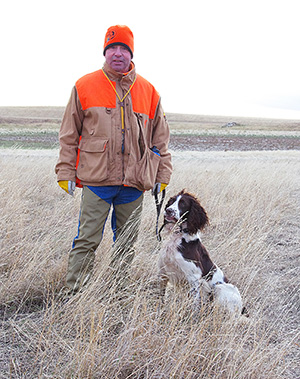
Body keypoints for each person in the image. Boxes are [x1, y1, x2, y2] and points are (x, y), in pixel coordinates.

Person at [55, 25, 172, 295]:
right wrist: (65, 171)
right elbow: (68, 134)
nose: (117, 54)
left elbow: (160, 141)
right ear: (105, 52)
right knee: (86, 240)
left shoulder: (149, 91)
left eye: (123, 48)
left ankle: (116, 296)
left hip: (134, 183)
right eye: (112, 48)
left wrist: (161, 177)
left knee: (126, 243)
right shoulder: (84, 85)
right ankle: (76, 294)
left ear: (131, 53)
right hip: (97, 180)